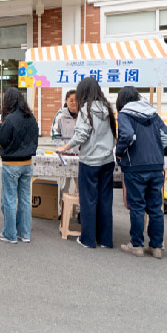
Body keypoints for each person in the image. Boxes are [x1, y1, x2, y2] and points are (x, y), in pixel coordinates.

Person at [56, 77, 117, 249]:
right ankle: (105, 240)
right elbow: (113, 135)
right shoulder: (107, 109)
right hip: (107, 161)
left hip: (90, 161)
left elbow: (81, 134)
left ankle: (88, 239)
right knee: (105, 200)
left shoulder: (86, 110)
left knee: (88, 200)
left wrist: (65, 147)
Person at [115, 86, 167, 259]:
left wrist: (119, 152)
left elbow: (127, 135)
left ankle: (136, 245)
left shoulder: (125, 114)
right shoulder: (152, 114)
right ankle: (156, 247)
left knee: (137, 206)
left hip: (136, 167)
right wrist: (156, 151)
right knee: (155, 208)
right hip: (156, 166)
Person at [0, 88, 39, 245]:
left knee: (9, 199)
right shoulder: (31, 118)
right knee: (25, 200)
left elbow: (1, 139)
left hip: (11, 164)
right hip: (27, 163)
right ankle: (25, 233)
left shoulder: (10, 119)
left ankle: (10, 234)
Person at [52, 90, 80, 201]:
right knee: (64, 185)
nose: (74, 103)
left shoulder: (83, 116)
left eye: (76, 100)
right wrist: (64, 148)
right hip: (64, 157)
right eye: (71, 100)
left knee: (80, 186)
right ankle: (62, 210)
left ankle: (80, 212)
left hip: (79, 156)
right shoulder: (60, 116)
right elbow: (55, 134)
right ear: (66, 101)